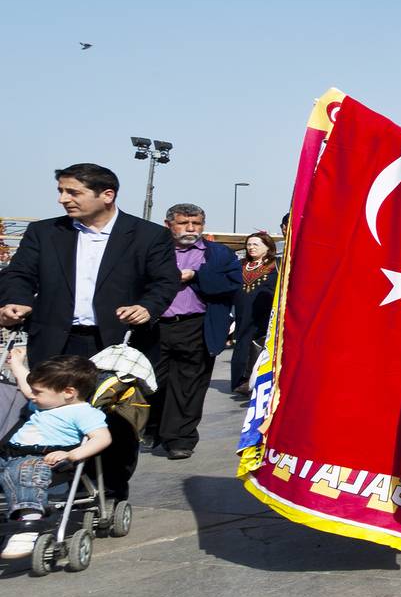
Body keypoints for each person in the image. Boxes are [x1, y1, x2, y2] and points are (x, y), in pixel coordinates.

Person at [0, 163, 182, 500]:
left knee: (116, 422)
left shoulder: (147, 235)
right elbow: (19, 274)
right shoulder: (45, 232)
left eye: (73, 192)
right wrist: (16, 300)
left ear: (107, 195)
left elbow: (164, 281)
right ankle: (41, 487)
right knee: (47, 415)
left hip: (117, 344)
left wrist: (147, 306)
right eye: (60, 191)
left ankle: (110, 490)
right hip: (56, 340)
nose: (63, 200)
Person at [141, 203, 241, 459]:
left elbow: (232, 284)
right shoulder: (152, 251)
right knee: (153, 383)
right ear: (168, 225)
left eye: (196, 224)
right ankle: (152, 429)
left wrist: (196, 275)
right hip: (154, 327)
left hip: (196, 325)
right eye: (184, 223)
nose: (190, 229)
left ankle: (180, 439)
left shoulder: (217, 254)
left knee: (189, 386)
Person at [0, 353, 112, 560]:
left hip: (46, 461)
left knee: (25, 471)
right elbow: (27, 385)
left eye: (37, 392)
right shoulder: (43, 403)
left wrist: (71, 454)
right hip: (9, 455)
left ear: (69, 392)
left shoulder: (82, 412)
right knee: (17, 469)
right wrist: (16, 363)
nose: (31, 395)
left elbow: (102, 438)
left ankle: (28, 524)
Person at [231, 228, 279, 396]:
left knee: (261, 345)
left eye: (256, 244)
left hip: (266, 314)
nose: (251, 247)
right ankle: (240, 380)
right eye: (249, 244)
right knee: (242, 344)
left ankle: (260, 380)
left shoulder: (276, 265)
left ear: (267, 247)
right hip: (243, 313)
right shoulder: (239, 265)